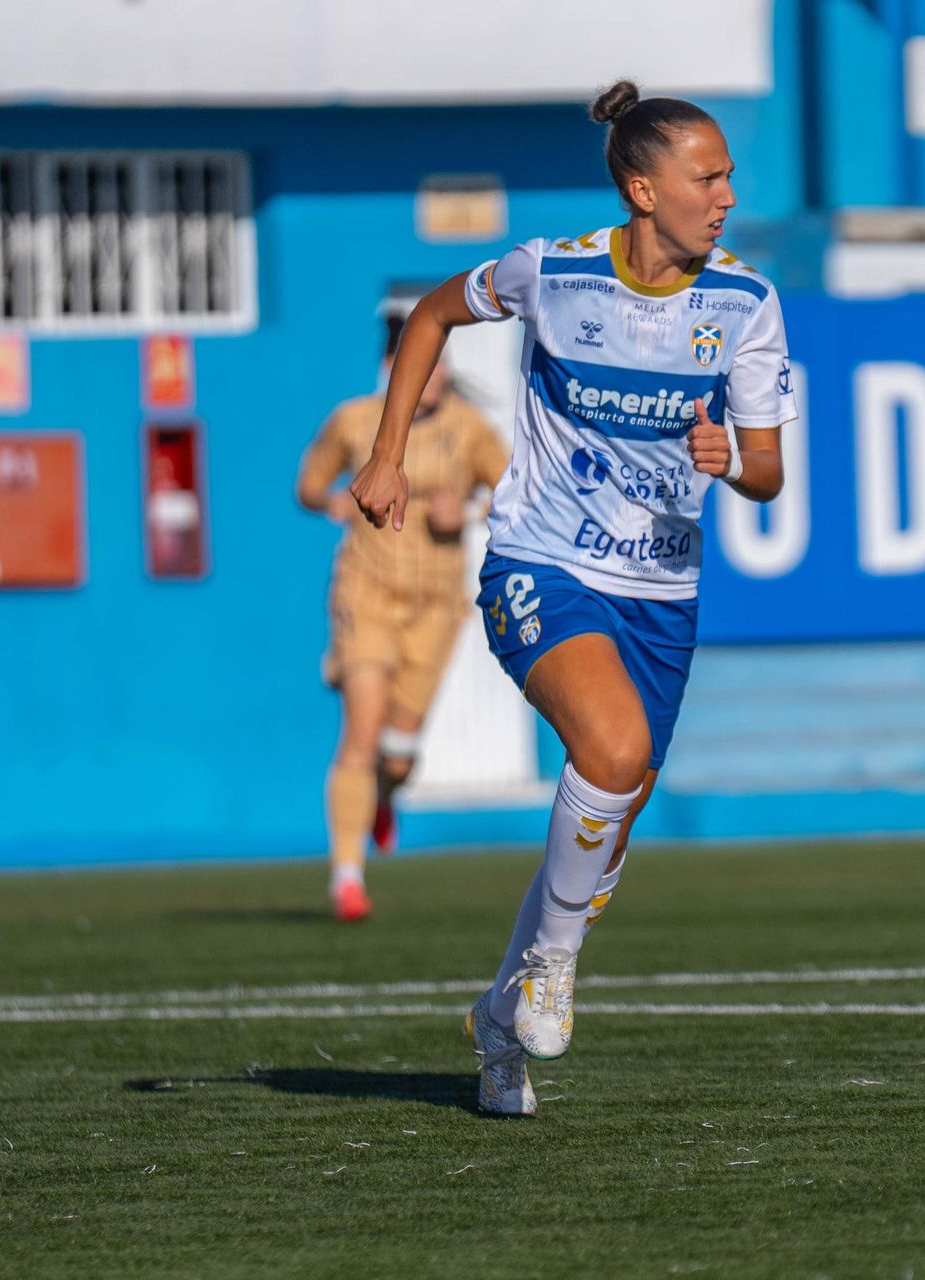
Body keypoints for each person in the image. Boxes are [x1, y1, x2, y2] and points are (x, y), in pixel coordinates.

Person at [347, 80, 794, 1115]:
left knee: (607, 828)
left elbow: (767, 470)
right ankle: (549, 973)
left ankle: (498, 1022)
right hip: (539, 565)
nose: (727, 193)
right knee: (612, 749)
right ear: (644, 187)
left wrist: (733, 459)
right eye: (707, 175)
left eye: (728, 173)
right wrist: (386, 456)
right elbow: (430, 315)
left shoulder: (744, 303)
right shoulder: (551, 272)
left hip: (661, 592)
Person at [296, 326, 508, 922]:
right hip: (366, 593)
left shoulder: (468, 428)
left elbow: (516, 486)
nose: (435, 375)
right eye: (424, 363)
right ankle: (346, 877)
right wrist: (332, 500)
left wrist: (466, 509)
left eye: (442, 365)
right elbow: (309, 484)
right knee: (361, 737)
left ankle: (386, 796)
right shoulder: (355, 422)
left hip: (435, 605)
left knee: (397, 754)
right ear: (394, 365)